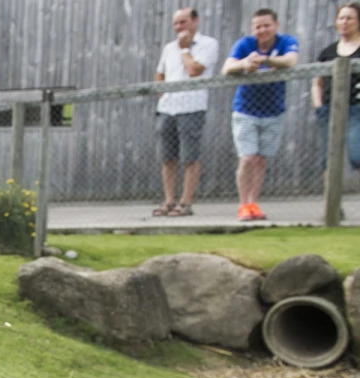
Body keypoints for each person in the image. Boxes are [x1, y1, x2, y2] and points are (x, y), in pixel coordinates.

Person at [223, 8, 299, 221]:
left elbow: (291, 60)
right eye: (258, 26)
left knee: (260, 159)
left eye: (266, 25)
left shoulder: (286, 42)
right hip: (246, 109)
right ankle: (243, 205)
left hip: (274, 110)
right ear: (252, 28)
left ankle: (254, 203)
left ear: (276, 25)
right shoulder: (244, 45)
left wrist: (265, 60)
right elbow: (227, 67)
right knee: (247, 158)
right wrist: (244, 64)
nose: (262, 30)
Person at [153, 8, 219, 217]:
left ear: (195, 21)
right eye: (176, 23)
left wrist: (184, 49)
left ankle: (185, 202)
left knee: (189, 157)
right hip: (167, 108)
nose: (179, 27)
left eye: (183, 22)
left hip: (192, 107)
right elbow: (160, 72)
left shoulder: (208, 44)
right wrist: (161, 92)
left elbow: (194, 70)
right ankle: (169, 201)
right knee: (167, 157)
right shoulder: (168, 48)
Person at [313, 3, 360, 176]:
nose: (344, 22)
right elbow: (317, 83)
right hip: (330, 109)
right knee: (329, 160)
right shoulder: (328, 52)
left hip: (357, 109)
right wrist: (319, 106)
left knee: (357, 155)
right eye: (341, 18)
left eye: (349, 18)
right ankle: (331, 202)